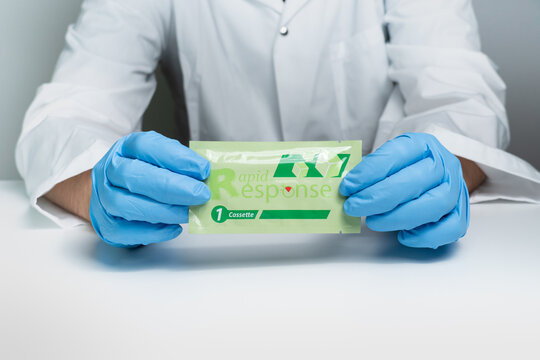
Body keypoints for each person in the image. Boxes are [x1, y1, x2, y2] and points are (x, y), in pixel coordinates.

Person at [15, 0, 540, 249]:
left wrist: (446, 163)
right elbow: (70, 112)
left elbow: (461, 93)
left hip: (376, 249)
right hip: (208, 269)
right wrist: (97, 188)